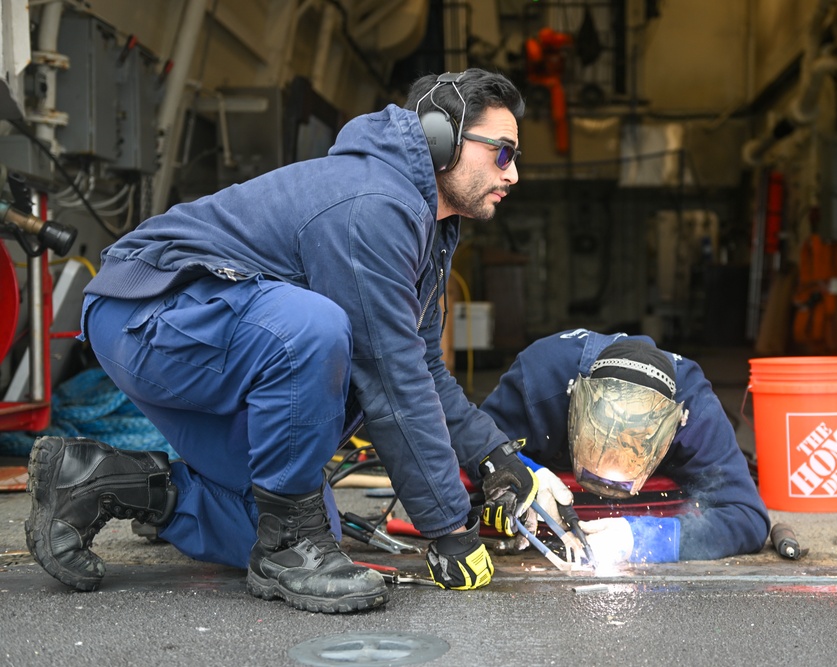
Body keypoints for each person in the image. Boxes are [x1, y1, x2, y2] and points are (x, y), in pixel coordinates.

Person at [24, 68, 539, 613]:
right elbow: (392, 377)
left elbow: (423, 366)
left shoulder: (429, 225)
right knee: (315, 329)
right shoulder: (374, 206)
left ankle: (104, 483)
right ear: (443, 140)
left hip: (207, 331)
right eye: (503, 153)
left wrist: (494, 456)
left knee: (291, 520)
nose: (513, 174)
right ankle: (291, 548)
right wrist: (448, 527)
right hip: (149, 310)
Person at [478, 329, 770, 565]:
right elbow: (470, 443)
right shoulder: (539, 378)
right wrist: (527, 472)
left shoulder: (696, 413)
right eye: (600, 439)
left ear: (670, 432)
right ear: (575, 402)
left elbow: (748, 517)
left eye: (632, 448)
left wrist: (641, 538)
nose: (611, 465)